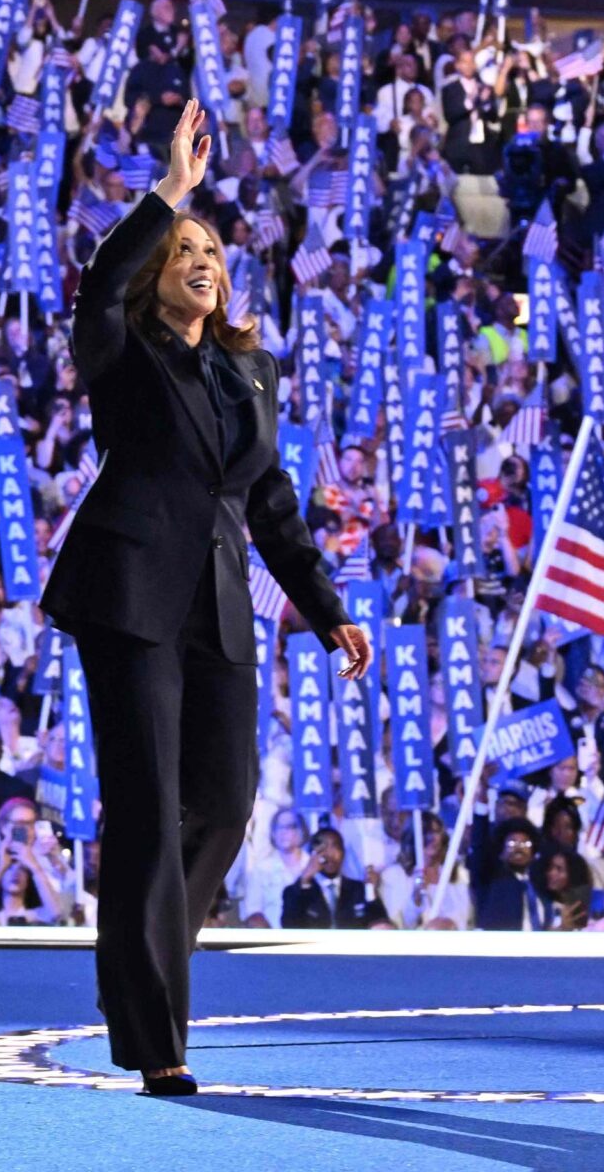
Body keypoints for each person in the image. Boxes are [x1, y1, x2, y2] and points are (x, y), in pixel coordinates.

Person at [37, 101, 372, 1096]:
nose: (203, 257)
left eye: (212, 247)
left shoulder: (250, 370)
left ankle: (136, 962)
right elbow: (97, 287)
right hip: (129, 593)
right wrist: (169, 190)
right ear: (158, 268)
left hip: (223, 604)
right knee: (145, 808)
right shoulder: (124, 351)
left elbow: (271, 501)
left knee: (223, 804)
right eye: (185, 246)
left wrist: (324, 606)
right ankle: (155, 1034)